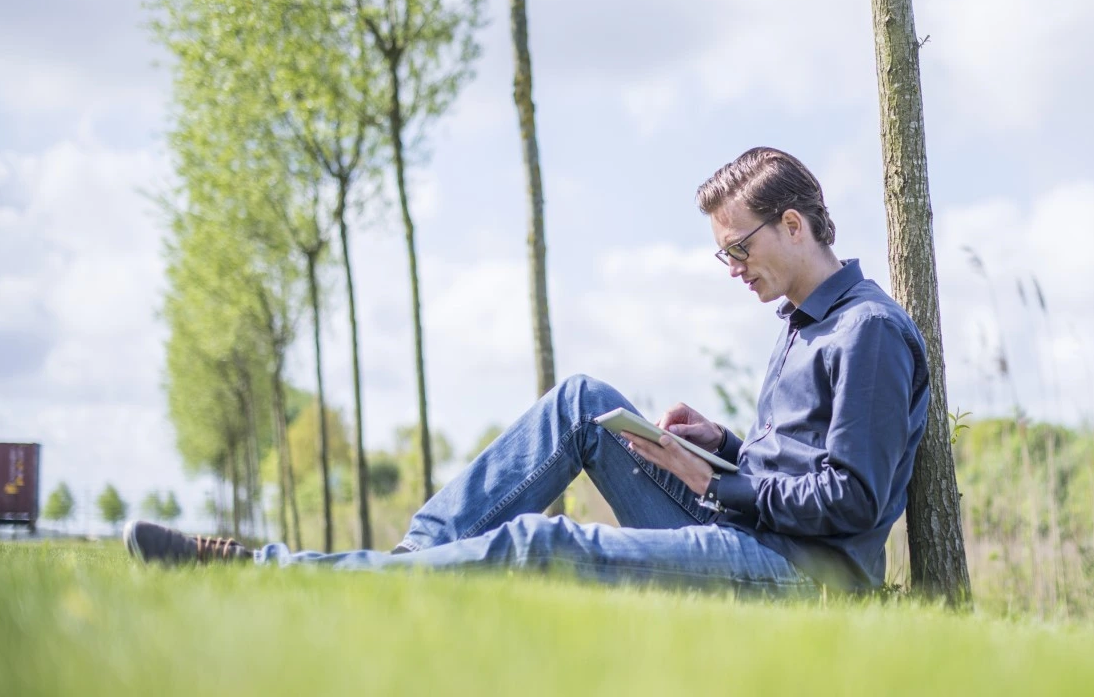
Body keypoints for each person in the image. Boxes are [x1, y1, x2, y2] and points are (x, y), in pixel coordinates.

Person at [124, 147, 930, 595]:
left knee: (537, 547)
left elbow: (849, 500)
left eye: (738, 249)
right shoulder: (802, 325)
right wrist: (719, 443)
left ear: (792, 225)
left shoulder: (868, 334)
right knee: (582, 402)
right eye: (722, 254)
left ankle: (280, 576)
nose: (730, 267)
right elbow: (792, 467)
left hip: (798, 577)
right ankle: (416, 564)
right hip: (751, 532)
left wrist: (714, 483)